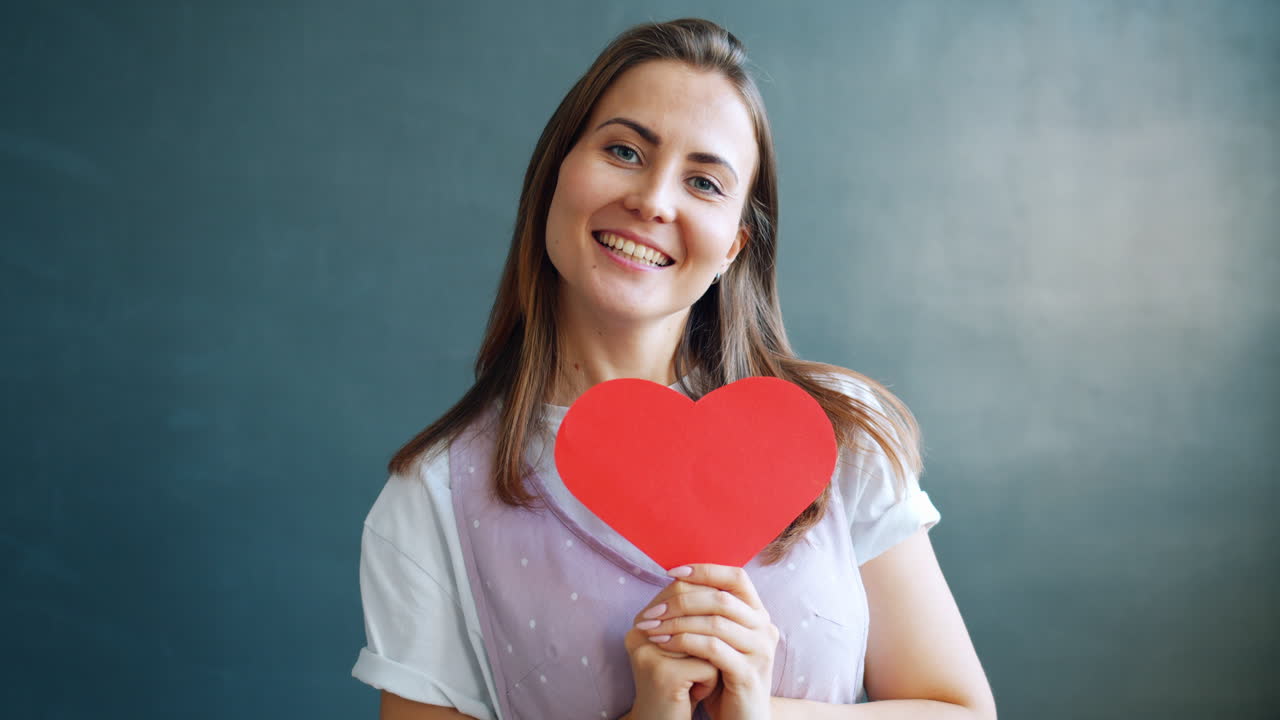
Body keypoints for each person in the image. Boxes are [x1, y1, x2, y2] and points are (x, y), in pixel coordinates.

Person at [352, 17, 996, 720]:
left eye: (705, 183)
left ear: (733, 247)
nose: (653, 201)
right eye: (624, 150)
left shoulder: (836, 435)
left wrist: (754, 711)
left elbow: (959, 711)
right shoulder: (434, 496)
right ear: (556, 174)